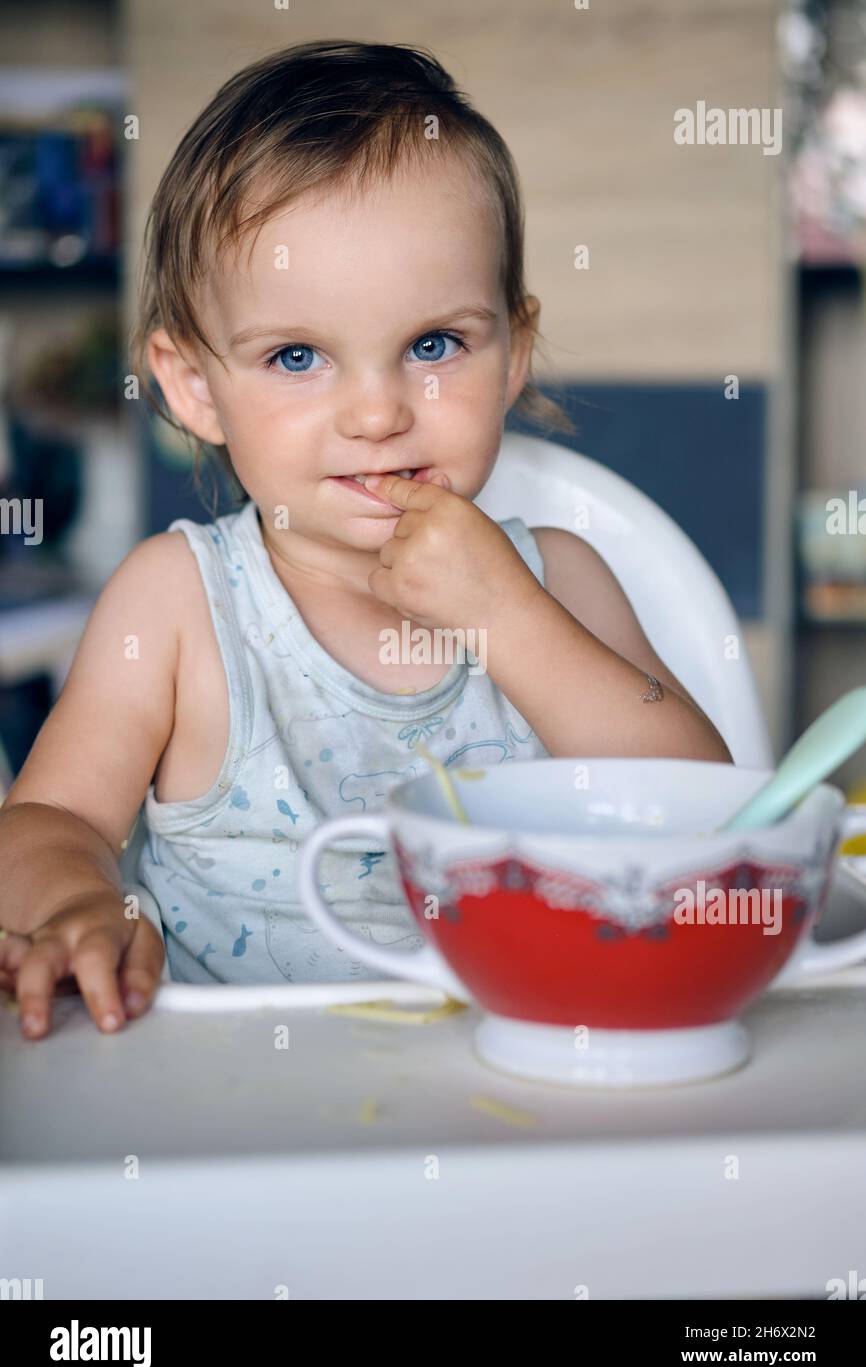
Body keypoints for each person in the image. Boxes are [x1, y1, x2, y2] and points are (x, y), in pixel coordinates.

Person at [0, 40, 731, 1038]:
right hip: (232, 1113)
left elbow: (709, 817)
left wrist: (507, 619)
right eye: (297, 356)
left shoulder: (557, 581)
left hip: (516, 1086)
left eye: (434, 345)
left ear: (512, 350)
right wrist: (80, 905)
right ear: (193, 385)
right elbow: (54, 823)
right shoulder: (176, 604)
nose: (378, 412)